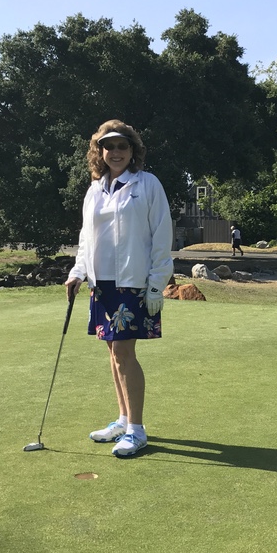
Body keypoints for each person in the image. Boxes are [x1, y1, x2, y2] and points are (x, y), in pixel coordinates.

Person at [66, 120, 173, 458]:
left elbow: (162, 236)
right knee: (114, 355)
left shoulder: (147, 184)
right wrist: (78, 272)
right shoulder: (95, 189)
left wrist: (156, 284)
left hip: (134, 282)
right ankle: (124, 420)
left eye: (122, 146)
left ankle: (137, 430)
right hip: (103, 283)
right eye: (108, 146)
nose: (115, 152)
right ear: (99, 151)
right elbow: (86, 238)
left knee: (125, 354)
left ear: (132, 150)